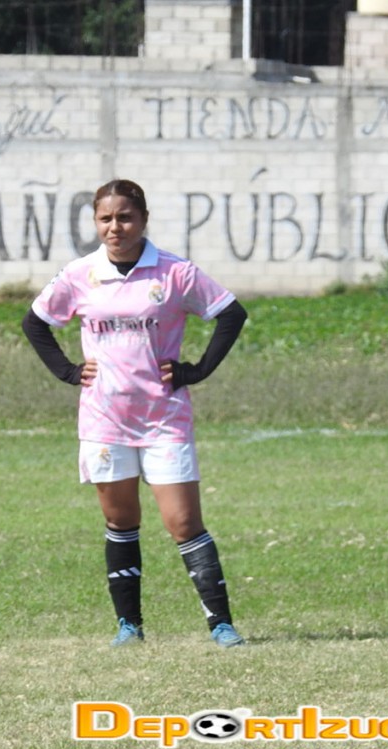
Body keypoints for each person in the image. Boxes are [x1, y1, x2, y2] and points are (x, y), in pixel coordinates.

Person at [22, 179, 248, 648]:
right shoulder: (79, 274)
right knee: (121, 522)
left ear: (143, 219)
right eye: (105, 218)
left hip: (164, 418)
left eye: (125, 217)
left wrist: (197, 370)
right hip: (105, 420)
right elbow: (35, 323)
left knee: (183, 523)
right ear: (95, 222)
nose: (115, 227)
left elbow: (231, 314)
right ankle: (130, 626)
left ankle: (221, 625)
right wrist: (68, 371)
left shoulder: (174, 272)